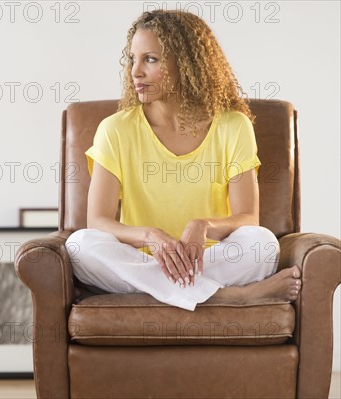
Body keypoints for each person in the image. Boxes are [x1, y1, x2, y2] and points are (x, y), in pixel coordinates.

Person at [65, 9, 301, 311]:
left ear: (187, 64)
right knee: (80, 245)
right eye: (132, 59)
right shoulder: (115, 129)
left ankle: (155, 291)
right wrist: (152, 236)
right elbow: (98, 222)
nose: (135, 71)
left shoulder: (233, 126)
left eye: (150, 59)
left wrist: (204, 226)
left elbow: (247, 219)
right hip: (142, 259)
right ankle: (228, 298)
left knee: (262, 245)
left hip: (207, 261)